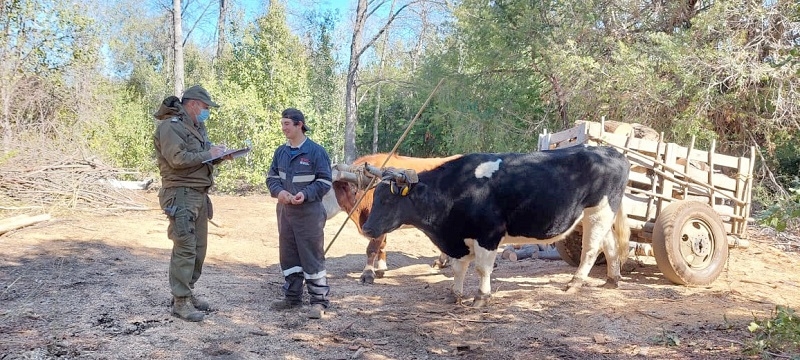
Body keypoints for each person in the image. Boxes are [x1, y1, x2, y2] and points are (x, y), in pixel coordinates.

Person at [153, 85, 229, 322]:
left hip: (198, 193)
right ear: (194, 104)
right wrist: (209, 154)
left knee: (199, 249)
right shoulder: (170, 126)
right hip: (181, 194)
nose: (207, 112)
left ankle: (188, 291)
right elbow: (177, 159)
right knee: (185, 248)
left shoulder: (197, 127)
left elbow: (200, 157)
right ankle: (180, 301)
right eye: (206, 107)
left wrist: (218, 155)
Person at [266, 108, 333, 319]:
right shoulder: (281, 152)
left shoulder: (316, 152)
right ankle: (292, 297)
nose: (283, 127)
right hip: (285, 213)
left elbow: (324, 182)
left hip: (309, 213)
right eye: (282, 123)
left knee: (312, 256)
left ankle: (318, 301)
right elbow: (272, 178)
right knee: (289, 256)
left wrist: (305, 194)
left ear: (299, 124)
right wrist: (280, 192)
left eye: (287, 123)